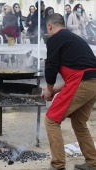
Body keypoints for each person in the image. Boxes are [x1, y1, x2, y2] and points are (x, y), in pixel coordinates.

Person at [42, 13, 96, 170]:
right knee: (79, 122)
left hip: (82, 81)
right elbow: (76, 73)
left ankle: (58, 165)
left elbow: (50, 67)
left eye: (47, 28)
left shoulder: (55, 38)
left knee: (51, 120)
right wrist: (53, 91)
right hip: (92, 81)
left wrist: (49, 90)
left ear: (50, 26)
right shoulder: (73, 38)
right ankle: (93, 163)